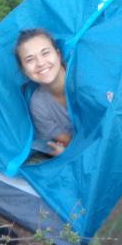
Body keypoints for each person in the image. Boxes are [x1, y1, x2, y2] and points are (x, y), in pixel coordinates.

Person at [15, 28, 73, 156]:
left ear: (58, 55)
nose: (40, 63)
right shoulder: (38, 105)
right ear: (24, 70)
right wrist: (68, 153)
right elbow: (68, 141)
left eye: (45, 53)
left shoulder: (81, 79)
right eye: (30, 59)